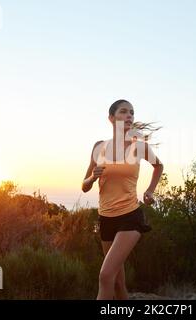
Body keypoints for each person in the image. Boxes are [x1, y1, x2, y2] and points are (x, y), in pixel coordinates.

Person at [82, 99, 164, 300]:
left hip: (130, 217)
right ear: (111, 118)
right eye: (124, 112)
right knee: (118, 284)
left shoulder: (139, 147)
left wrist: (150, 191)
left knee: (105, 276)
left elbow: (159, 166)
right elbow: (84, 186)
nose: (130, 116)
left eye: (132, 113)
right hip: (105, 219)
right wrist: (93, 177)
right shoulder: (99, 147)